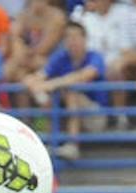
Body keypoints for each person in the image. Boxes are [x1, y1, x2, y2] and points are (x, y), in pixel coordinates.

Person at [22, 20, 105, 160]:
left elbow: (83, 76)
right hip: (65, 116)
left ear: (85, 39)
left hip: (95, 117)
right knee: (48, 96)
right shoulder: (61, 57)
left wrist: (51, 84)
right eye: (68, 37)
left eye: (75, 37)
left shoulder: (95, 57)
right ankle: (49, 142)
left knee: (71, 91)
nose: (71, 41)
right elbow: (38, 77)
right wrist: (34, 84)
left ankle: (73, 145)